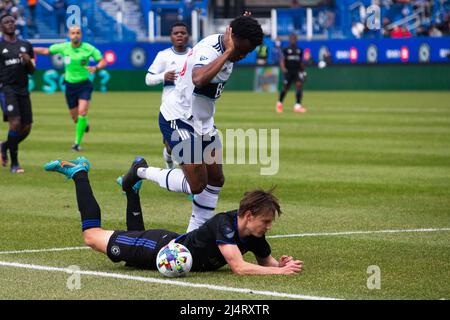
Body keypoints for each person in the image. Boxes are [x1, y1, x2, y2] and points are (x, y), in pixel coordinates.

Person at [44, 157, 303, 275]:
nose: (268, 227)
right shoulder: (224, 224)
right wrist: (279, 274)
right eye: (266, 221)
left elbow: (266, 263)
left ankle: (132, 190)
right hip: (159, 248)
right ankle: (80, 174)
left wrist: (282, 265)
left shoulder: (253, 234)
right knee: (91, 237)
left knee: (132, 262)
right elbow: (239, 267)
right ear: (248, 215)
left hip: (168, 250)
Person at [126, 15, 263, 232]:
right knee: (197, 184)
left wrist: (241, 29)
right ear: (231, 39)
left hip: (203, 122)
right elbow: (198, 79)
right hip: (178, 117)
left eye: (247, 52)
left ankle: (192, 236)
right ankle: (140, 172)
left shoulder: (232, 44)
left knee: (216, 179)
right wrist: (229, 52)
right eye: (241, 50)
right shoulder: (210, 50)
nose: (243, 55)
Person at [33, 26, 107, 152]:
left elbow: (102, 61)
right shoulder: (64, 47)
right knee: (75, 118)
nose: (75, 35)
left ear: (81, 35)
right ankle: (84, 124)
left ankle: (76, 144)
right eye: (73, 33)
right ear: (69, 35)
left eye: (78, 33)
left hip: (84, 84)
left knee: (82, 112)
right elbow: (46, 51)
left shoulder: (88, 48)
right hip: (70, 86)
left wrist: (96, 68)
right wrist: (29, 48)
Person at [145, 22, 190, 169]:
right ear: (170, 36)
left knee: (189, 147)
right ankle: (169, 162)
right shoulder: (163, 56)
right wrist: (163, 76)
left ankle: (186, 178)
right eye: (176, 33)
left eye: (183, 33)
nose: (179, 35)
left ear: (188, 36)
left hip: (190, 108)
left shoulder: (194, 54)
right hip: (170, 110)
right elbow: (148, 79)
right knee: (171, 146)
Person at [0, 13, 35, 173]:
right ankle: (15, 164)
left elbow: (32, 71)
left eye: (12, 21)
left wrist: (28, 61)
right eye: (6, 22)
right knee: (15, 123)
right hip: (7, 89)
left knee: (26, 128)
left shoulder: (26, 45)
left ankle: (4, 146)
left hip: (23, 90)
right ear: (1, 27)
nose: (10, 24)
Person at [276, 33, 307, 113]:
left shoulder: (299, 50)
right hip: (288, 71)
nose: (293, 40)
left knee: (299, 85)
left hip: (297, 71)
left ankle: (297, 106)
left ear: (296, 40)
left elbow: (301, 62)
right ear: (289, 40)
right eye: (292, 38)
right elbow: (282, 60)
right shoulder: (286, 49)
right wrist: (283, 68)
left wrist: (303, 71)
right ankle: (279, 103)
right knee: (285, 88)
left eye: (294, 38)